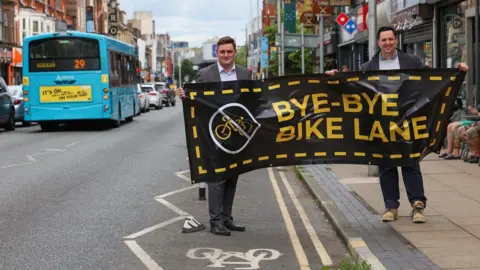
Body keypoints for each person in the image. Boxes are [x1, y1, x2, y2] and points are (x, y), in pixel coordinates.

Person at [325, 26, 469, 224]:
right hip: (381, 124)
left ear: (396, 40)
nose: (387, 43)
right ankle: (391, 206)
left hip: (407, 121)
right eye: (383, 40)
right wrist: (336, 79)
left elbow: (433, 79)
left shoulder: (411, 62)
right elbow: (354, 88)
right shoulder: (369, 67)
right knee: (386, 164)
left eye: (390, 39)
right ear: (378, 43)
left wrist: (457, 72)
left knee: (410, 161)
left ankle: (417, 204)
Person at [178, 36, 252, 236]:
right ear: (217, 53)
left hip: (237, 136)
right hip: (213, 135)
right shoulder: (205, 74)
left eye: (229, 51)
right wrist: (185, 97)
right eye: (222, 52)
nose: (226, 55)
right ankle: (215, 221)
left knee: (232, 177)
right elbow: (197, 102)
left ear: (235, 52)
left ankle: (227, 218)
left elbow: (253, 102)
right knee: (217, 177)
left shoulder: (245, 73)